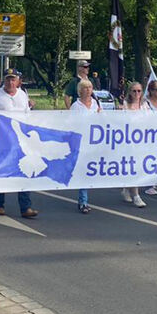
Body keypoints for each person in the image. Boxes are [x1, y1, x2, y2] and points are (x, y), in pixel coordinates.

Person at [0, 70, 39, 218]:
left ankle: (26, 207)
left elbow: (27, 115)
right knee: (2, 171)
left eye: (13, 80)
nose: (10, 83)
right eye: (8, 80)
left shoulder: (22, 95)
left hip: (20, 141)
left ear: (18, 81)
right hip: (2, 140)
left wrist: (31, 108)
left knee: (24, 171)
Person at [70, 79, 99, 214]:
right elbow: (71, 123)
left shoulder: (95, 104)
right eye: (85, 88)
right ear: (80, 90)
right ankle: (83, 201)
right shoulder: (76, 106)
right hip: (81, 141)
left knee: (91, 169)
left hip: (94, 140)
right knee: (83, 170)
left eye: (90, 87)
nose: (88, 90)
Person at [119, 82, 148, 208]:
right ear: (130, 92)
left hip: (142, 140)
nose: (137, 94)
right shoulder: (125, 105)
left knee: (139, 167)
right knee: (133, 167)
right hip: (129, 141)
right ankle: (136, 196)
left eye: (139, 91)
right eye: (134, 91)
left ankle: (126, 188)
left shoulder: (144, 106)